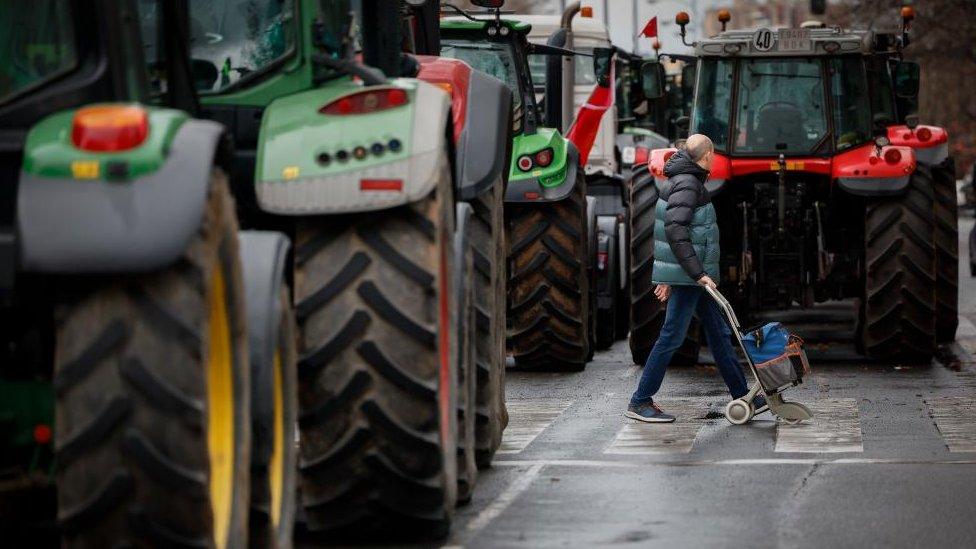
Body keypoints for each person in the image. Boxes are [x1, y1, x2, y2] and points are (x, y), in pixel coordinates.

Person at [625, 134, 762, 423]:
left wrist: (672, 275)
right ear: (708, 154)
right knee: (672, 336)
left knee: (720, 335)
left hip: (690, 276)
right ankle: (640, 401)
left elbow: (667, 231)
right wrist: (696, 275)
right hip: (692, 278)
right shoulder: (688, 183)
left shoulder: (683, 178)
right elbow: (675, 232)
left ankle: (742, 394)